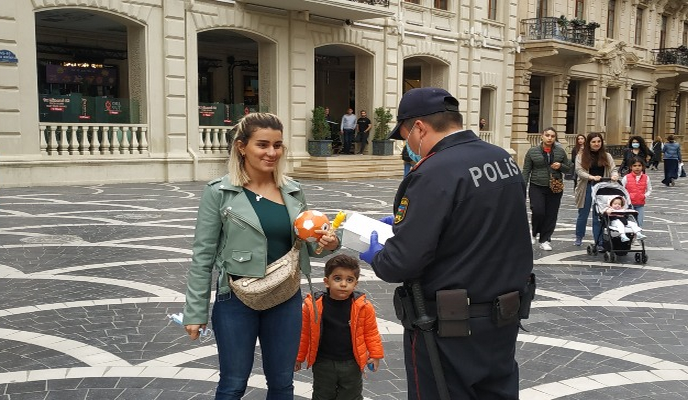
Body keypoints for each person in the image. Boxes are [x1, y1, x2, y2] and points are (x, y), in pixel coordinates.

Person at [358, 87, 534, 399]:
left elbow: (402, 262)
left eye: (406, 136)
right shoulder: (501, 159)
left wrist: (378, 255)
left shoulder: (433, 171)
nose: (409, 146)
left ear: (419, 128)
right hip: (503, 318)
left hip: (448, 328)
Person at [182, 112, 340, 400]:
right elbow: (202, 255)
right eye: (263, 145)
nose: (272, 153)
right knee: (233, 384)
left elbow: (302, 247)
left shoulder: (292, 190)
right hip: (236, 298)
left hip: (285, 297)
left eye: (278, 145)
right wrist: (195, 312)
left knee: (282, 384)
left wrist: (326, 244)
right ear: (242, 146)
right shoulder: (219, 192)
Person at [295, 254, 384, 400]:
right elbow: (304, 333)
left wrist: (375, 355)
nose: (343, 284)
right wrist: (298, 357)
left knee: (351, 395)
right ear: (326, 281)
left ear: (355, 284)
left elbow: (371, 332)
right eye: (338, 278)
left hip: (352, 363)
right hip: (323, 362)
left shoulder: (364, 307)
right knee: (322, 394)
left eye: (349, 280)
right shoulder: (313, 307)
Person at [522, 127, 571, 251]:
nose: (550, 138)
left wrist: (560, 166)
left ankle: (545, 239)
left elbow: (569, 168)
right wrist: (523, 185)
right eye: (547, 135)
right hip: (537, 185)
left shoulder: (560, 151)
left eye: (552, 136)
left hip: (555, 187)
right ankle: (534, 232)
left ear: (555, 138)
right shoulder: (532, 151)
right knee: (538, 211)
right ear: (542, 136)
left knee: (551, 214)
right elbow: (526, 170)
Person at [574, 132, 619, 249]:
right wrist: (591, 177)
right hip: (587, 187)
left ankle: (598, 241)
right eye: (593, 142)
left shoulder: (607, 155)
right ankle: (579, 236)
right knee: (583, 214)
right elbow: (579, 171)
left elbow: (613, 168)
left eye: (598, 141)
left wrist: (614, 175)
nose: (596, 144)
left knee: (598, 215)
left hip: (602, 188)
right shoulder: (581, 155)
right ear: (589, 143)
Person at [621, 156, 652, 226]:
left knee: (639, 221)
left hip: (640, 203)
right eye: (634, 166)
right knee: (630, 222)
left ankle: (638, 234)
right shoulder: (626, 177)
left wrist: (644, 195)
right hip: (629, 204)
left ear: (643, 167)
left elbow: (649, 189)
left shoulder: (646, 177)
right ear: (631, 167)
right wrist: (626, 198)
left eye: (639, 165)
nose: (637, 167)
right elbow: (622, 189)